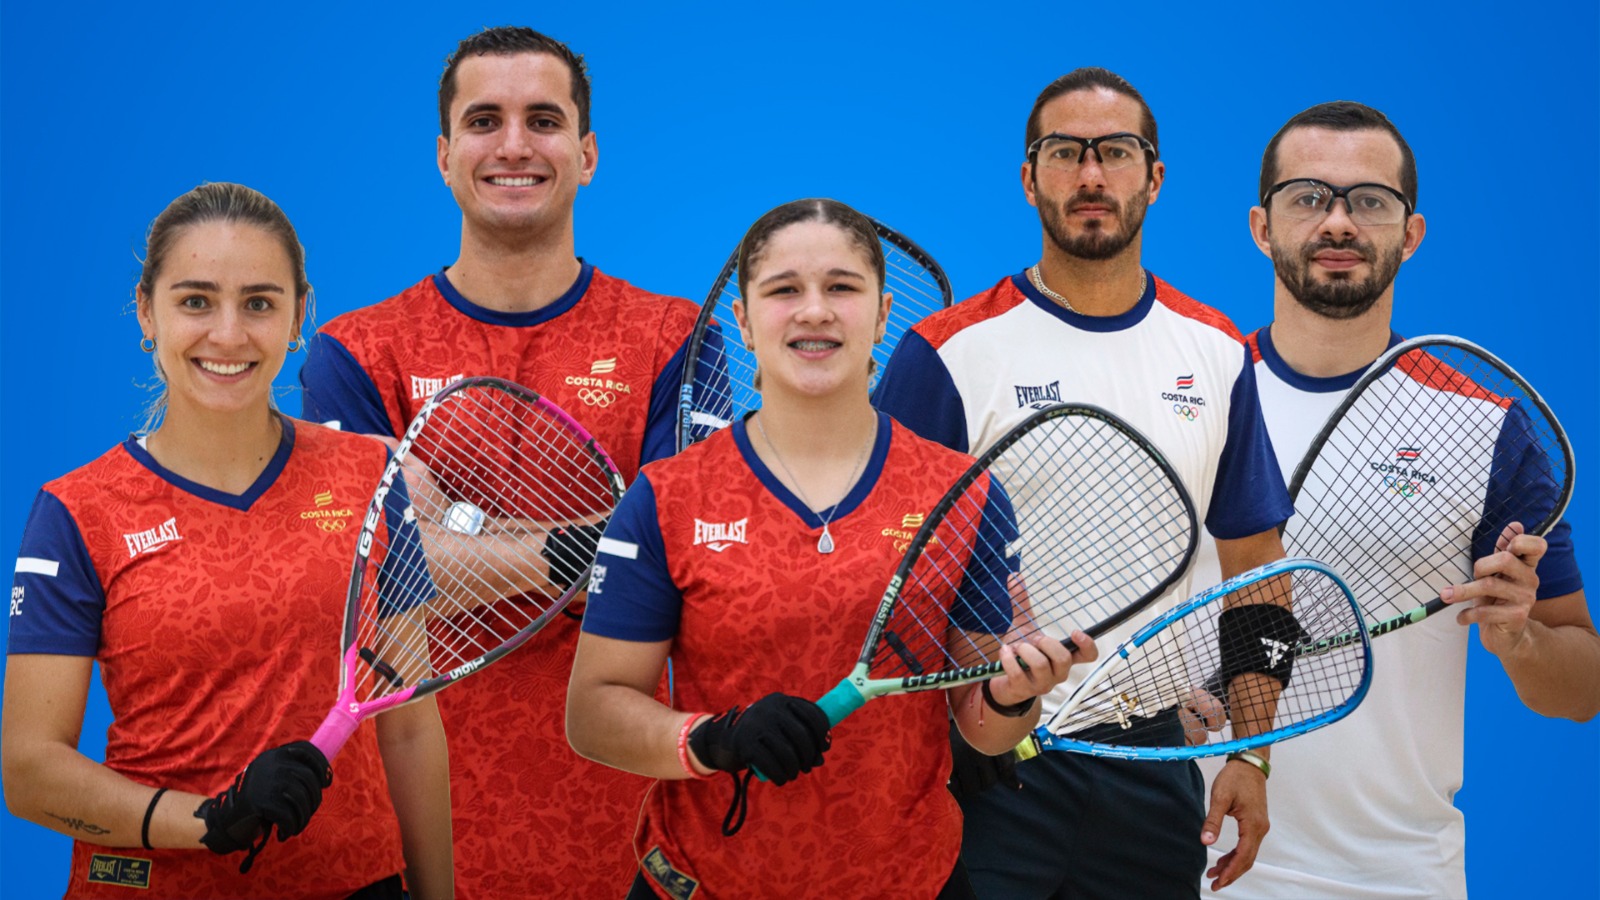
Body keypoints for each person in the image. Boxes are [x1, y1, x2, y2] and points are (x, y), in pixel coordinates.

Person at [567, 198, 1098, 899]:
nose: (814, 310)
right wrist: (714, 740)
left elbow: (984, 730)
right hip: (704, 883)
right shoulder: (665, 497)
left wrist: (1010, 698)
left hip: (911, 880)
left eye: (842, 288)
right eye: (784, 289)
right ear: (745, 324)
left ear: (882, 317)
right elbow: (593, 712)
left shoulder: (962, 493)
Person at [298, 26, 714, 898]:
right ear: (445, 156)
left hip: (639, 837)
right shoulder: (356, 352)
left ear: (588, 153)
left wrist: (460, 525)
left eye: (544, 120)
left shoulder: (677, 339)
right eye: (484, 121)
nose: (515, 145)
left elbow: (686, 566)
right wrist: (597, 545)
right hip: (420, 837)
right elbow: (386, 575)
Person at [872, 68, 1293, 897]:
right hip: (988, 773)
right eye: (1066, 152)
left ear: (1156, 177)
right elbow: (880, 570)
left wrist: (1251, 753)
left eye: (1116, 152)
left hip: (1153, 767)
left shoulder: (1215, 353)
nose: (1091, 175)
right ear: (1030, 178)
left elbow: (1258, 573)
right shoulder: (949, 353)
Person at [1189, 100, 1600, 899]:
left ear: (1410, 235)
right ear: (1259, 227)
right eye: (1308, 198)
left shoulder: (1488, 428)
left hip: (1396, 877)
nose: (1338, 222)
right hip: (1179, 865)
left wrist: (1518, 642)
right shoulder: (1188, 400)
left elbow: (1582, 691)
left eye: (1369, 202)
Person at [2, 182, 453, 899]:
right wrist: (209, 819)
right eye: (195, 301)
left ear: (300, 314)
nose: (229, 335)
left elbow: (407, 727)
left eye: (259, 303)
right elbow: (28, 772)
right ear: (146, 312)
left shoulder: (372, 474)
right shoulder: (76, 511)